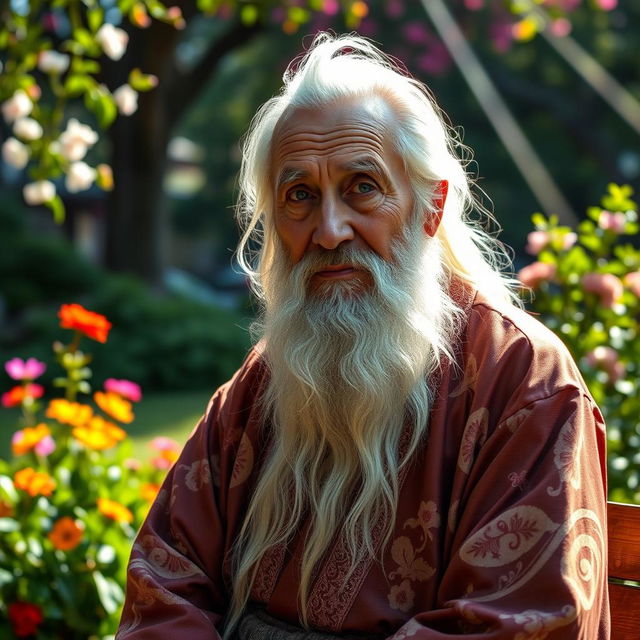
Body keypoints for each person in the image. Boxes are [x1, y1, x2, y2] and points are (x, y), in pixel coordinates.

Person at [116, 33, 609, 639]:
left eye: (362, 187)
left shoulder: (523, 382)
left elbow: (520, 623)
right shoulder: (267, 381)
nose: (328, 230)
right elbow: (166, 578)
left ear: (429, 206)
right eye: (299, 196)